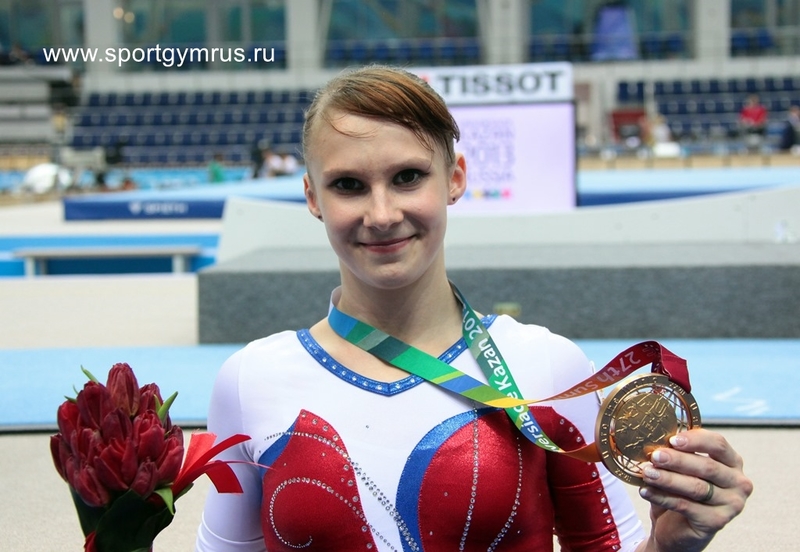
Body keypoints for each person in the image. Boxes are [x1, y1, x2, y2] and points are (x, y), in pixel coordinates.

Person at [196, 66, 752, 552]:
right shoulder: (248, 382)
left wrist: (668, 546)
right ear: (313, 197)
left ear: (455, 178)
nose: (382, 214)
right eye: (348, 185)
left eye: (408, 177)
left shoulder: (546, 367)